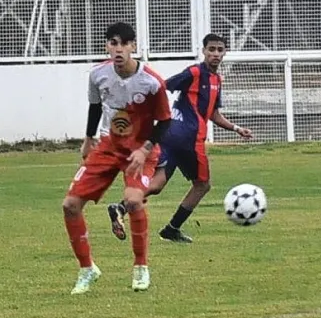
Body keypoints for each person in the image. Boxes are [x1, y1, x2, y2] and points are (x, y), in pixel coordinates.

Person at [106, 34, 253, 244]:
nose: (215, 54)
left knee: (156, 185)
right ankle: (172, 228)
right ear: (203, 51)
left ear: (225, 53)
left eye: (220, 50)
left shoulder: (216, 81)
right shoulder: (194, 72)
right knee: (202, 185)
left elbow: (212, 114)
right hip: (190, 141)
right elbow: (163, 86)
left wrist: (236, 128)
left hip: (170, 137)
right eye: (211, 49)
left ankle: (120, 208)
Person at [62, 22, 172, 294]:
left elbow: (165, 123)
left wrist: (145, 149)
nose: (118, 49)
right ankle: (87, 269)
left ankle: (140, 268)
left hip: (140, 151)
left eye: (124, 44)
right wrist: (88, 140)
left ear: (134, 47)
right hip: (109, 146)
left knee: (134, 201)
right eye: (113, 43)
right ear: (106, 46)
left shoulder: (151, 82)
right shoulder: (98, 74)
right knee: (70, 205)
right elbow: (95, 106)